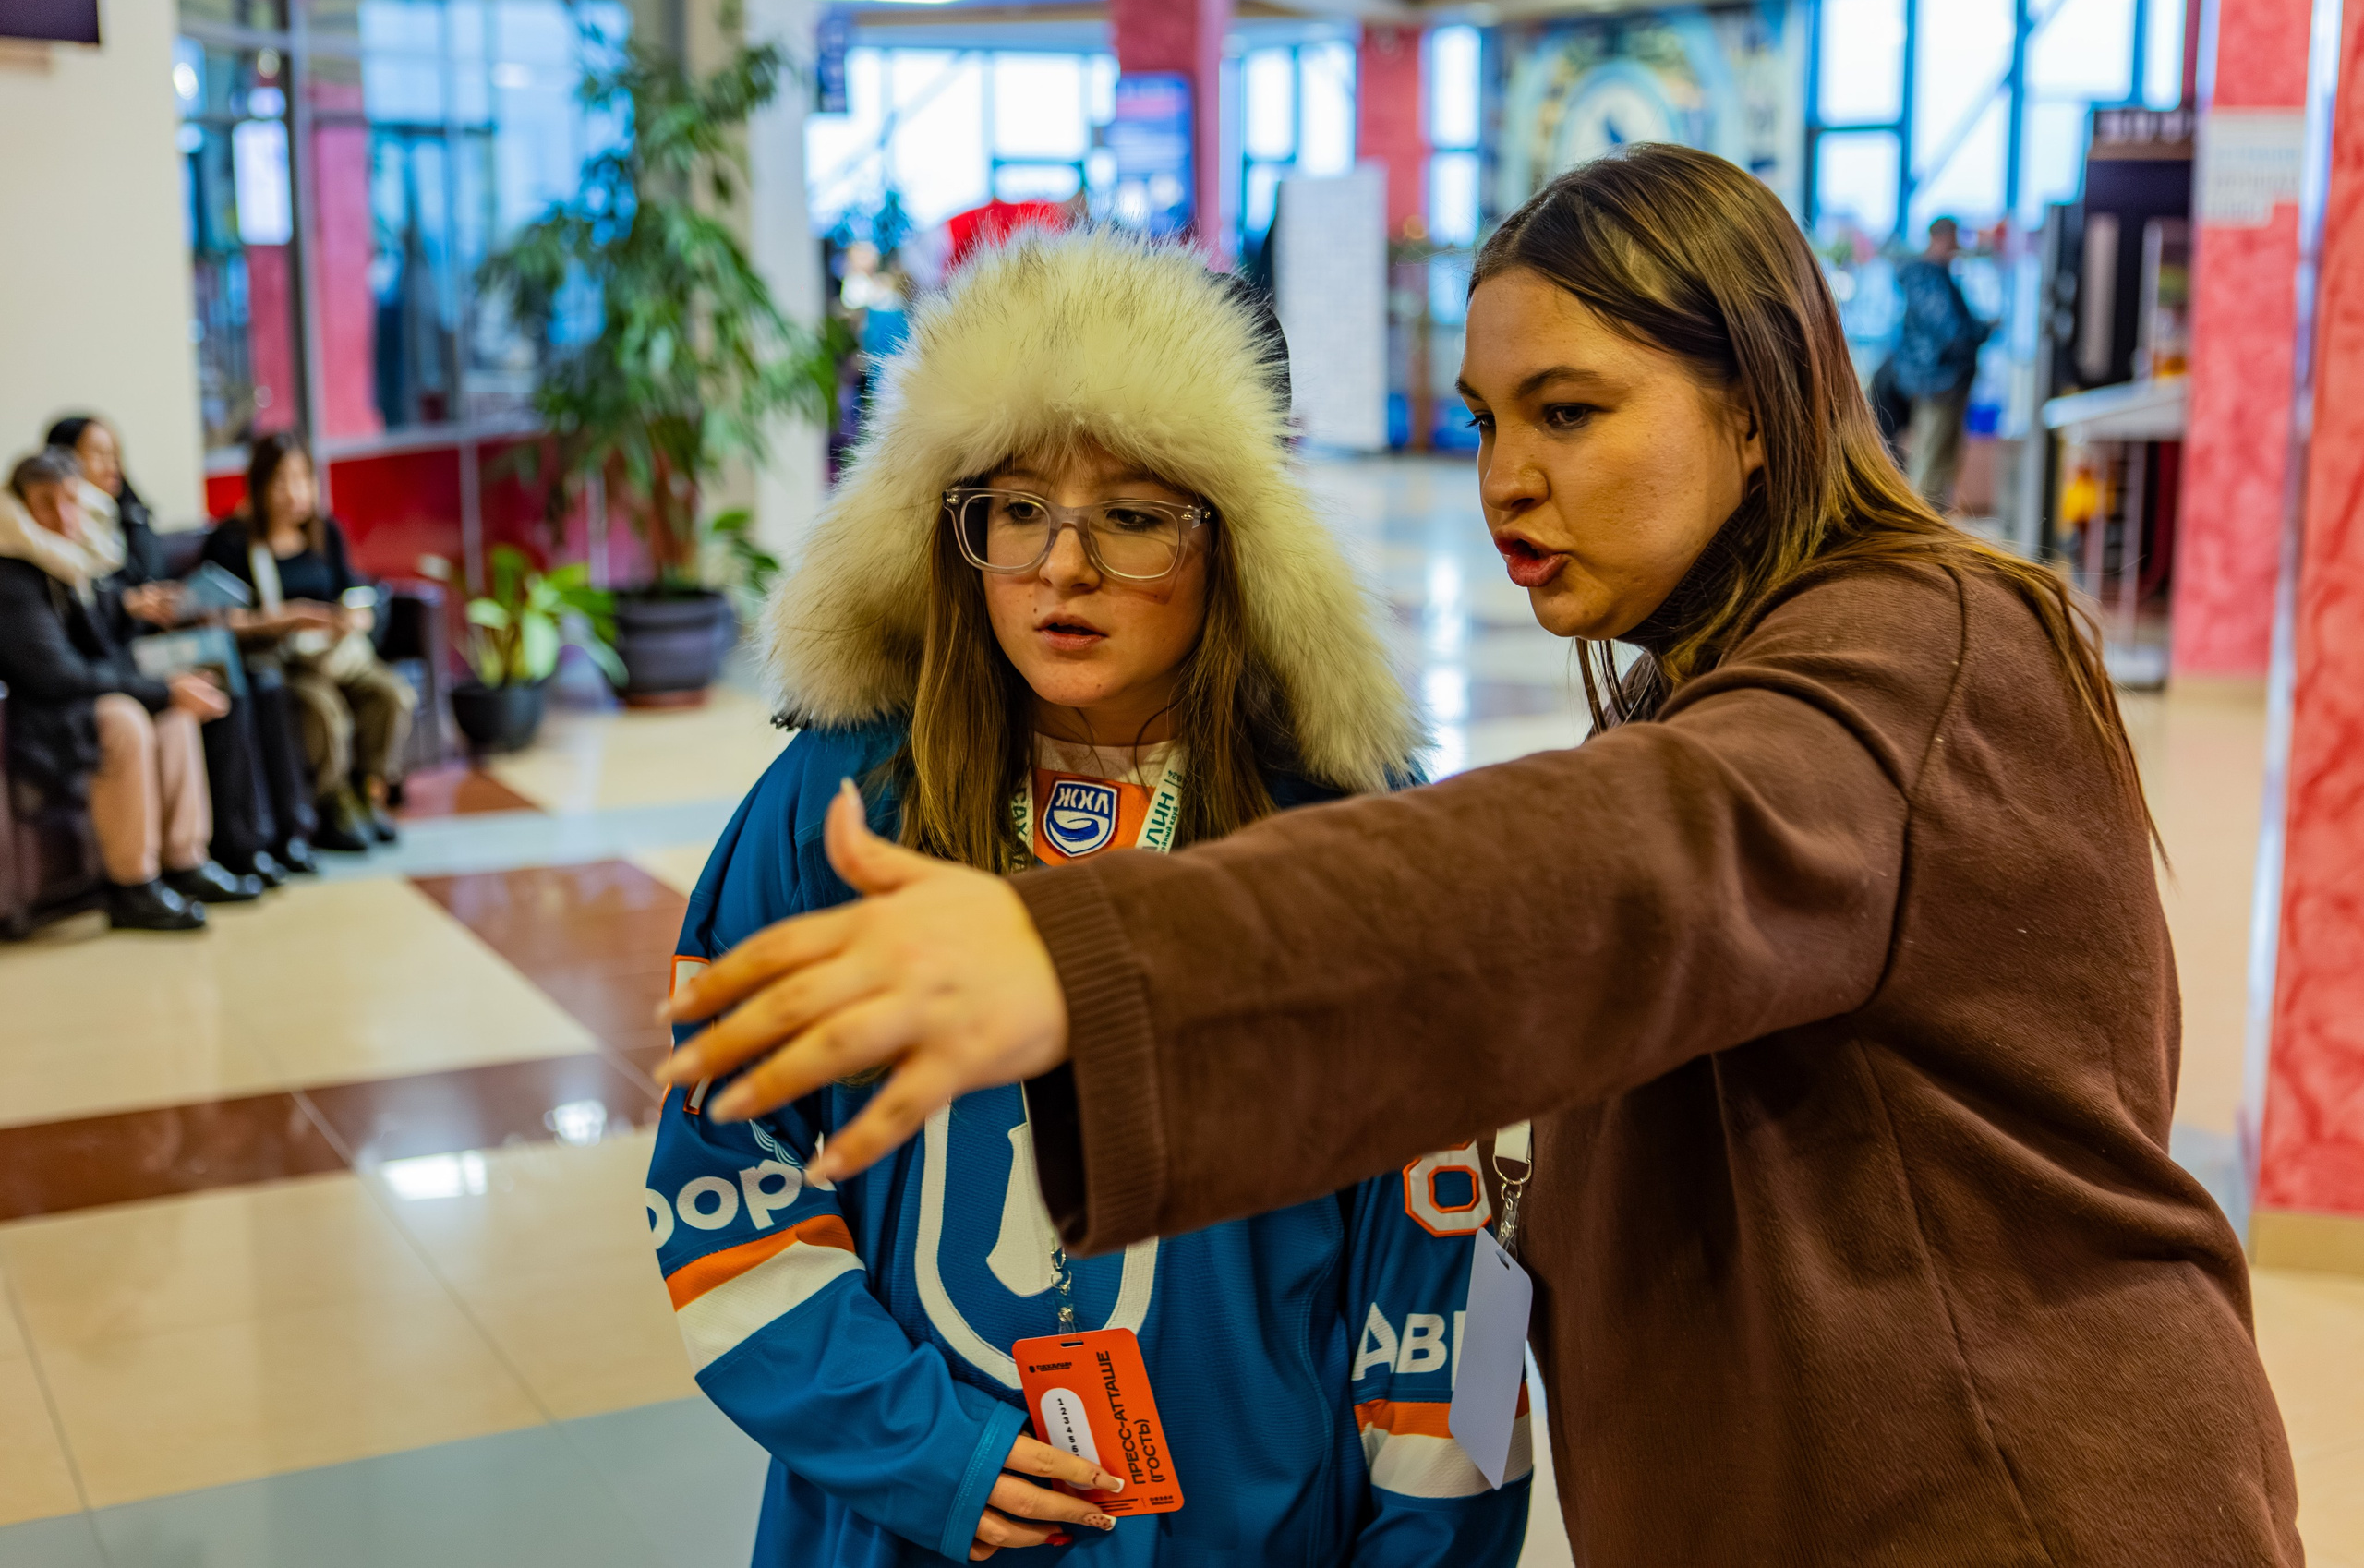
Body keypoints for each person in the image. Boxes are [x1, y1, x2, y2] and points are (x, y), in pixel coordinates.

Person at [656, 146, 2301, 1565]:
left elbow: (1630, 864)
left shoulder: (1918, 647)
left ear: (1759, 406)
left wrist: (1086, 959)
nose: (1512, 477)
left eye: (1572, 411)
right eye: (1489, 417)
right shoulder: (839, 804)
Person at [644, 233, 1530, 1567]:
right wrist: (926, 1448)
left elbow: (1455, 1278)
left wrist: (1428, 1544)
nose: (1062, 566)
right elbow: (723, 1173)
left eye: (1131, 513)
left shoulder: (1353, 832)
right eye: (1013, 506)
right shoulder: (838, 802)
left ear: (1239, 539)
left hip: (1247, 1529)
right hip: (898, 1527)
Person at [46, 414, 316, 883]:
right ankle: (238, 843)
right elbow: (86, 623)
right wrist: (129, 607)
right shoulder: (58, 541)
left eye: (115, 453)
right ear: (65, 464)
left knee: (259, 680)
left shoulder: (128, 516)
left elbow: (152, 576)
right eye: (97, 454)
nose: (111, 465)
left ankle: (279, 833)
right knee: (216, 688)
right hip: (125, 659)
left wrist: (178, 603)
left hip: (157, 645)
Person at [0, 451, 262, 930]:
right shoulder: (13, 576)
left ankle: (185, 860)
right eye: (45, 504)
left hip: (81, 701)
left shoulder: (75, 565)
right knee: (128, 718)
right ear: (19, 508)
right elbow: (59, 676)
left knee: (173, 713)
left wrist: (138, 623)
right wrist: (160, 690)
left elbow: (107, 646)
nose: (62, 517)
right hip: (41, 720)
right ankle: (131, 884)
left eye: (70, 503)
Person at [201, 433, 414, 852]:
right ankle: (330, 802)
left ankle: (363, 790)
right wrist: (287, 618)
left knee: (390, 694)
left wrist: (355, 615)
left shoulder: (324, 533)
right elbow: (217, 619)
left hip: (335, 655)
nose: (293, 492)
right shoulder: (232, 541)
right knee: (324, 711)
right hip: (281, 662)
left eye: (301, 479)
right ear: (259, 484)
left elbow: (349, 591)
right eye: (281, 480)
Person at [1880, 215, 1992, 510]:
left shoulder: (1938, 277)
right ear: (1941, 238)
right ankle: (1917, 534)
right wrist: (1984, 329)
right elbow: (1950, 330)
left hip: (1946, 383)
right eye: (1954, 238)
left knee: (1942, 463)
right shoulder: (1927, 278)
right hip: (1937, 383)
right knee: (1929, 463)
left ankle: (1932, 531)